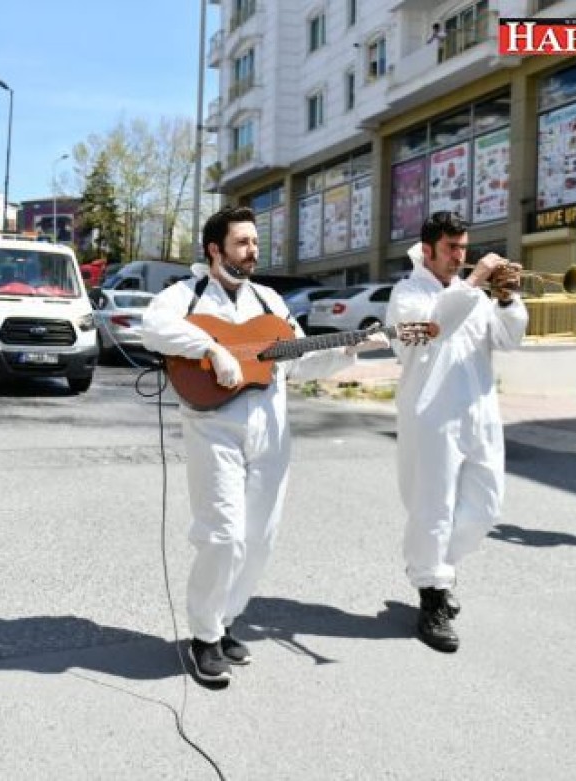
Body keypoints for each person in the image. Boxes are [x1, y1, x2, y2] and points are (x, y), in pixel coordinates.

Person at [141, 206, 387, 686]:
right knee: (223, 534)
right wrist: (210, 349)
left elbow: (298, 362)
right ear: (215, 249)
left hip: (271, 433)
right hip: (214, 427)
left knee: (259, 537)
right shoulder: (185, 295)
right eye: (243, 243)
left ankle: (226, 619)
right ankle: (204, 637)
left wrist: (351, 348)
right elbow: (153, 326)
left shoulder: (271, 301)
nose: (253, 251)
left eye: (255, 242)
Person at [386, 211, 527, 653]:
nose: (460, 256)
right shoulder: (407, 293)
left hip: (479, 411)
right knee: (434, 508)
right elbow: (433, 327)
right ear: (427, 249)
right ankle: (432, 597)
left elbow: (510, 340)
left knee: (486, 506)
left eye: (464, 248)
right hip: (431, 416)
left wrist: (505, 300)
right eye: (451, 248)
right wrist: (478, 279)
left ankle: (435, 571)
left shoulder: (478, 296)